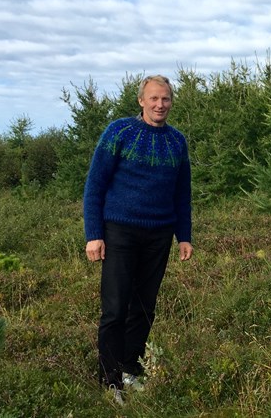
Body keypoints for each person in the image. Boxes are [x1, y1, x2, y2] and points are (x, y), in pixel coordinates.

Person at [83, 74, 193, 400]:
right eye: (154, 98)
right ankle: (110, 379)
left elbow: (182, 194)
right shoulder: (119, 132)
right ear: (141, 101)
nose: (160, 105)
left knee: (144, 308)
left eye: (166, 99)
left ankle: (131, 368)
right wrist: (94, 235)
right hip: (120, 231)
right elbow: (95, 186)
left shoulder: (177, 141)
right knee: (115, 308)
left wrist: (183, 236)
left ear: (171, 102)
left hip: (159, 234)